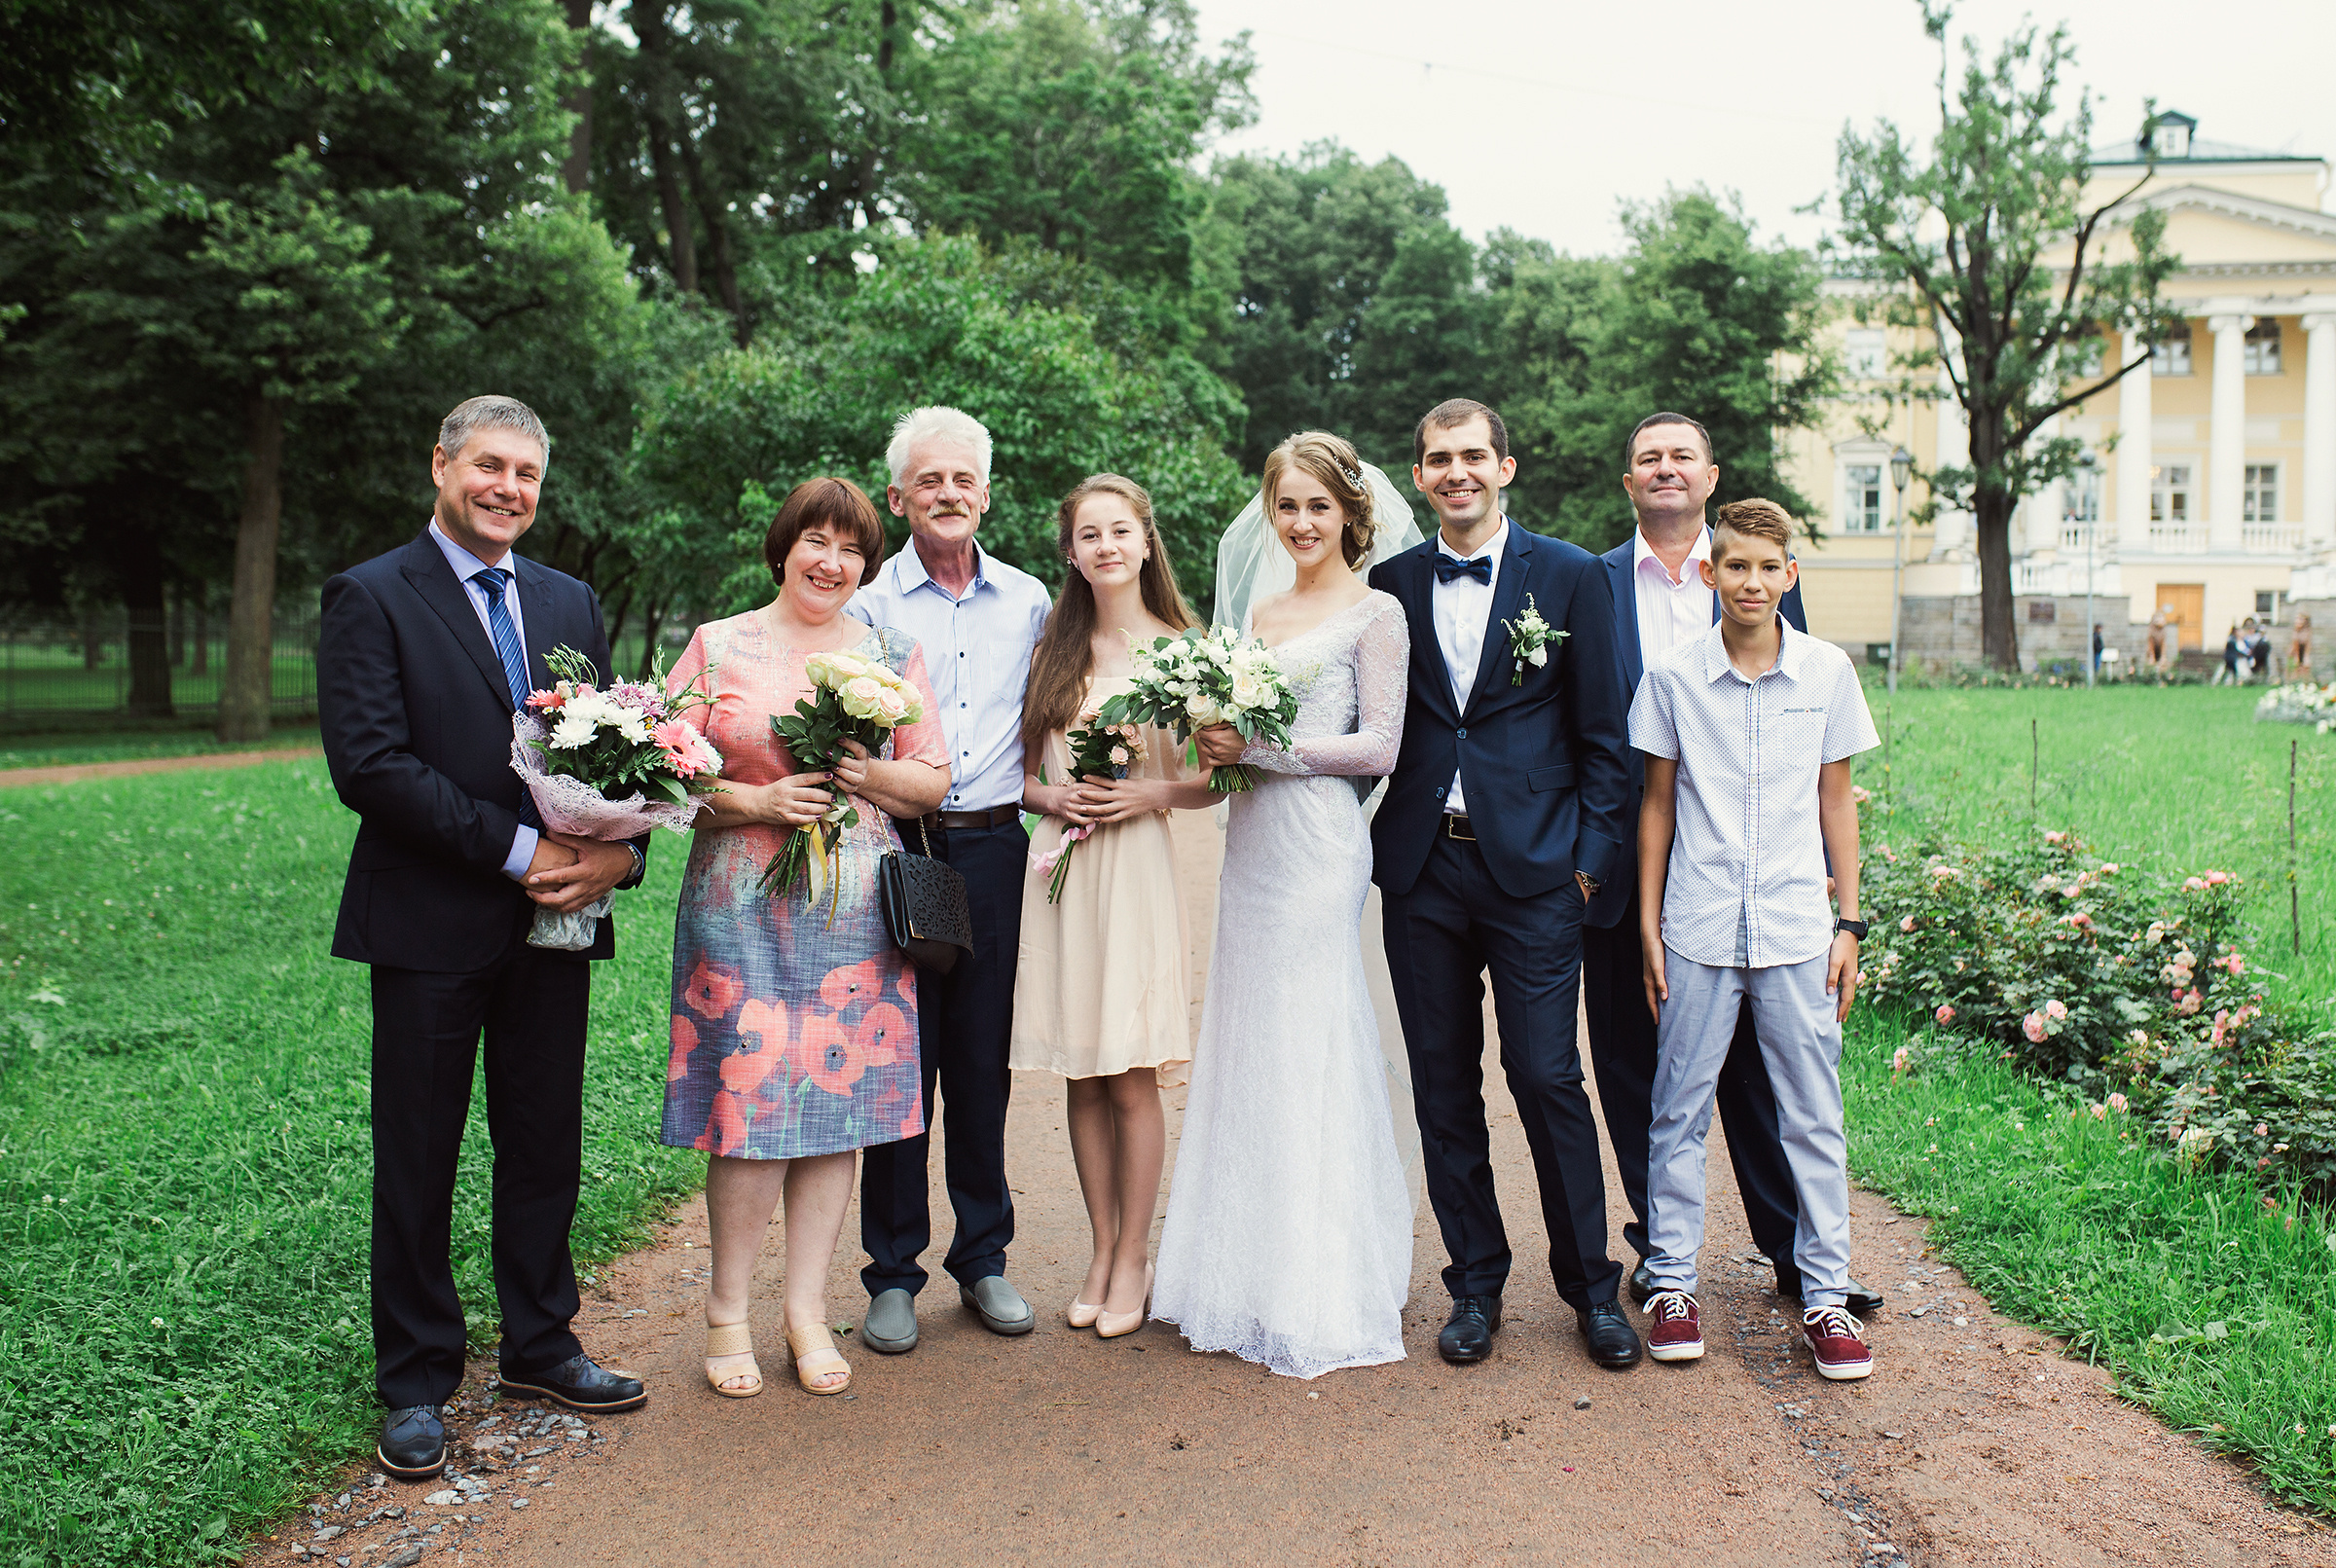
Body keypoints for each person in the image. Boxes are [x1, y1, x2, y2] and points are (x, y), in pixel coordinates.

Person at [319, 395, 652, 1482]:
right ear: (442, 467)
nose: (509, 489)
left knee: (545, 1138)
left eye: (527, 475)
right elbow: (370, 767)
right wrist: (520, 855)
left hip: (558, 927)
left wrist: (619, 855)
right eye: (490, 468)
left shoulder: (568, 599)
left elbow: (617, 763)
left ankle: (541, 1345)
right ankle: (416, 1378)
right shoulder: (371, 595)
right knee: (419, 1152)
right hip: (430, 924)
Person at [1585, 413, 1881, 1320]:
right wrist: (1635, 909)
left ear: (1710, 476)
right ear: (1628, 477)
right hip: (1664, 882)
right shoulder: (1594, 589)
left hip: (1784, 902)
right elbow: (1639, 782)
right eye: (1648, 457)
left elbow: (1831, 787)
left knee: (1786, 1093)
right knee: (1657, 1084)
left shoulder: (1808, 648)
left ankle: (1805, 1264)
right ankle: (1664, 1263)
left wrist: (1849, 917)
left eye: (1681, 456)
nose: (1665, 468)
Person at [658, 478, 950, 1398]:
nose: (832, 561)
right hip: (737, 907)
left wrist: (866, 772)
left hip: (855, 914)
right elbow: (656, 772)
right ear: (783, 547)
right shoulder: (719, 645)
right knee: (745, 1115)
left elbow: (934, 780)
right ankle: (726, 1311)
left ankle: (805, 1310)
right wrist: (757, 799)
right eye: (815, 541)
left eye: (852, 549)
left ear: (866, 564)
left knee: (839, 1108)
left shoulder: (893, 652)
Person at [1367, 398, 1642, 1371]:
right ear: (1419, 477)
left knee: (1547, 1077)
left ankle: (1591, 1291)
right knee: (1444, 1087)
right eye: (1439, 459)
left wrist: (1586, 872)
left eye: (1473, 455)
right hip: (1422, 867)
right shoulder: (1388, 584)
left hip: (1536, 873)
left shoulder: (1568, 577)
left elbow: (1608, 742)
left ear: (1506, 467)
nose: (1458, 473)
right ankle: (1473, 1286)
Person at [1154, 432, 1414, 1378]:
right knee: (1250, 1032)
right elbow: (1221, 732)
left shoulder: (1376, 613)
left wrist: (1265, 753)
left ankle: (1318, 1279)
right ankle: (1241, 1271)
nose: (1302, 523)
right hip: (1253, 843)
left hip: (1316, 842)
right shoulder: (1258, 610)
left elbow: (1379, 746)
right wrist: (1211, 740)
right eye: (1288, 506)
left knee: (1310, 1033)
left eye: (1318, 506)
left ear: (1350, 511)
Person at [848, 407, 1051, 1355]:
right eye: (928, 481)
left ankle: (984, 1259)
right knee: (899, 1061)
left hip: (996, 846)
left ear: (984, 491)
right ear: (899, 497)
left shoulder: (1030, 601)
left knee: (979, 1059)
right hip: (901, 846)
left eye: (962, 479)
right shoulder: (869, 608)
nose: (947, 494)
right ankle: (891, 1274)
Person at [1011, 474, 1218, 1338]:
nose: (1104, 546)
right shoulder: (1052, 651)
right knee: (1083, 1068)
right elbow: (1014, 777)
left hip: (1133, 869)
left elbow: (1218, 779)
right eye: (1088, 534)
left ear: (1145, 541)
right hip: (1058, 869)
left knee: (1131, 1070)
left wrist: (1149, 796)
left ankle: (1136, 1254)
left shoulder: (1184, 649)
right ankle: (1099, 1249)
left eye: (1119, 531)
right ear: (1071, 552)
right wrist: (1052, 799)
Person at [2214, 622, 2241, 686]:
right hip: (2231, 658)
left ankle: (2220, 682)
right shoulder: (2232, 639)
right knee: (2234, 672)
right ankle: (2235, 683)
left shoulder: (2230, 638)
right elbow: (2235, 649)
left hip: (2229, 657)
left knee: (2227, 671)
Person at [2248, 617, 2272, 684]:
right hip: (2254, 655)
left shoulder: (2264, 639)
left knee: (2264, 668)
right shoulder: (2254, 637)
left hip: (2262, 655)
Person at [2291, 612, 2314, 683]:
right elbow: (2295, 648)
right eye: (2297, 619)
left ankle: (2305, 683)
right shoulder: (2295, 632)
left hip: (2303, 652)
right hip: (2295, 653)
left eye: (2300, 619)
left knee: (2305, 668)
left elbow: (2307, 646)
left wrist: (2306, 657)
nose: (2298, 621)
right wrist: (2296, 658)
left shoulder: (2307, 633)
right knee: (2296, 669)